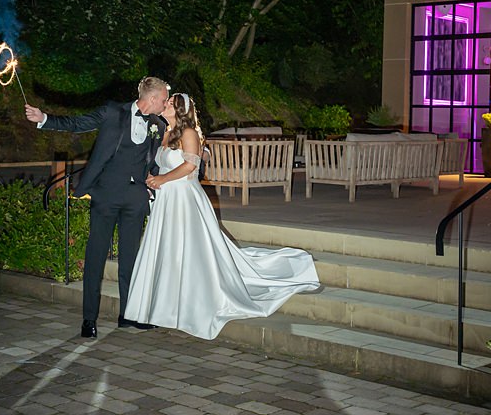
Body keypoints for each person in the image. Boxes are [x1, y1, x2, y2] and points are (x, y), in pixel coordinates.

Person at [124, 93, 320, 339]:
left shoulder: (189, 134)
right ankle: (161, 305)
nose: (165, 105)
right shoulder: (164, 133)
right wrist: (153, 179)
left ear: (181, 110)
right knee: (166, 251)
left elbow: (191, 165)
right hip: (166, 200)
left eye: (170, 103)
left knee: (190, 251)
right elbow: (160, 163)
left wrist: (162, 178)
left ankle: (192, 304)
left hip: (185, 200)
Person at [24, 76, 170, 339]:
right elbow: (78, 123)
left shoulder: (159, 125)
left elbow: (155, 161)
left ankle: (129, 314)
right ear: (152, 98)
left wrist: (154, 182)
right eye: (164, 99)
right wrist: (44, 118)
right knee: (95, 256)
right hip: (105, 195)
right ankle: (88, 318)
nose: (166, 103)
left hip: (135, 199)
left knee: (130, 259)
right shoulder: (113, 111)